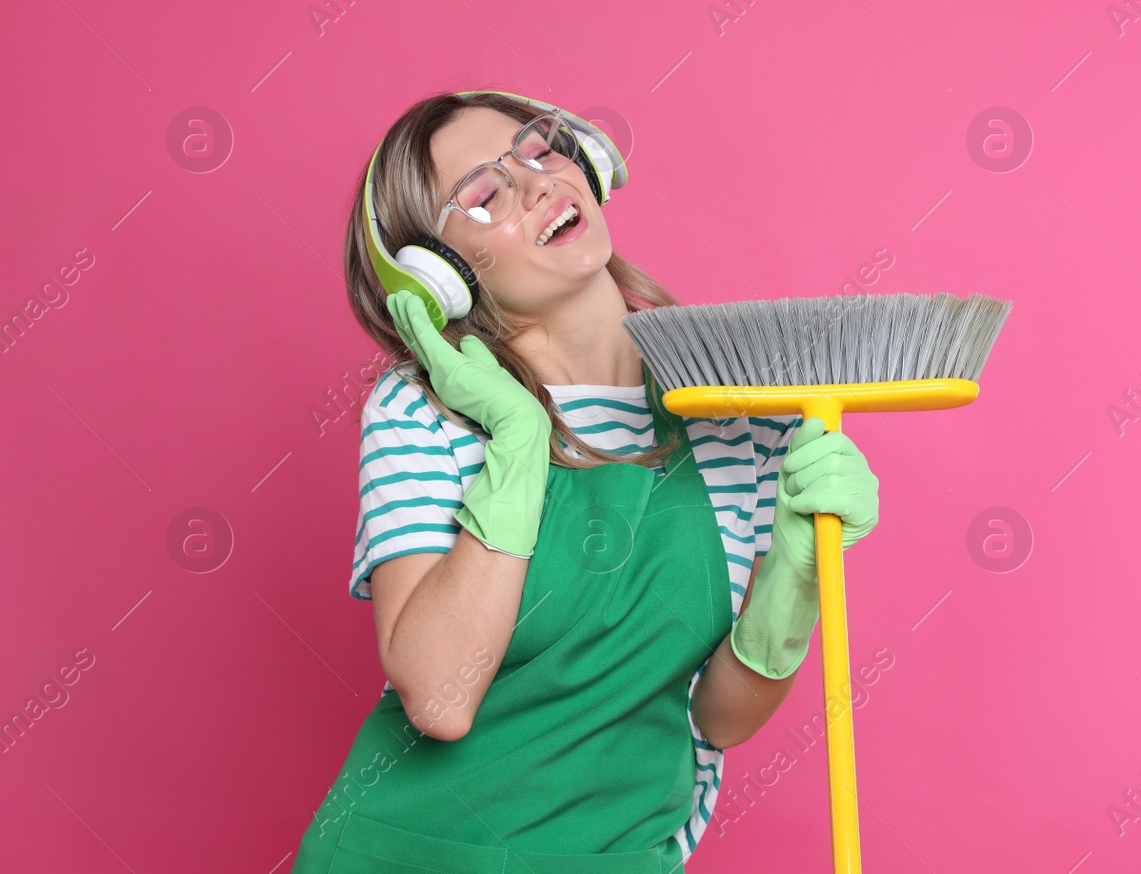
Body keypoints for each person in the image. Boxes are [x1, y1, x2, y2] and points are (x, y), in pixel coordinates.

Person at [290, 91, 882, 873]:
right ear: (441, 277)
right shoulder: (424, 413)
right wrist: (518, 439)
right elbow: (438, 697)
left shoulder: (732, 411)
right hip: (412, 853)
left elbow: (718, 718)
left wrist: (793, 578)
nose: (538, 183)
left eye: (539, 149)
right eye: (484, 192)